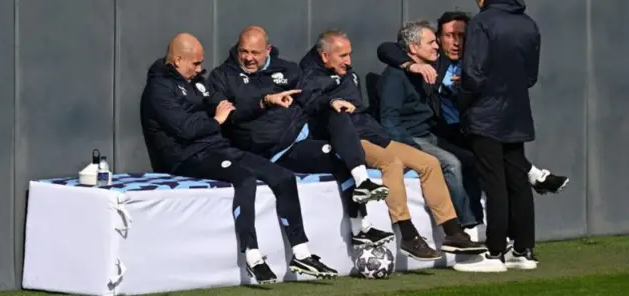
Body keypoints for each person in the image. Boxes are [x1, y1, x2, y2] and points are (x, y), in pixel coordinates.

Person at [140, 33, 337, 284]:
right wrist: (214, 121)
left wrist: (265, 102)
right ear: (179, 60)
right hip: (184, 158)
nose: (201, 69)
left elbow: (229, 111)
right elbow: (185, 129)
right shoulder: (158, 89)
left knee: (283, 177)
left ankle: (301, 253)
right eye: (196, 63)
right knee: (244, 179)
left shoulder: (197, 83)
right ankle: (253, 256)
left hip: (216, 147)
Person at [299, 29, 487, 260]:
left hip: (371, 132)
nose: (349, 62)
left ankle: (453, 233)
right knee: (391, 163)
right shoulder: (307, 77)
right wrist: (331, 101)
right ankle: (408, 235)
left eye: (350, 54)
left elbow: (384, 52)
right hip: (346, 140)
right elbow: (310, 102)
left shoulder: (347, 73)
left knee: (429, 162)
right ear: (325, 56)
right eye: (343, 56)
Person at [207, 26, 394, 249]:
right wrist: (265, 101)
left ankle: (362, 203)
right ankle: (358, 224)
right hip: (272, 151)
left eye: (254, 53)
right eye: (243, 51)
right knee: (334, 154)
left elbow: (309, 99)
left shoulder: (287, 69)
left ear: (267, 50)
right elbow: (230, 117)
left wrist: (329, 102)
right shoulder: (222, 76)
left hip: (300, 134)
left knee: (338, 121)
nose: (248, 58)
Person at [376, 11, 569, 195]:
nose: (456, 42)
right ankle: (534, 175)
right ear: (439, 38)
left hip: (471, 129)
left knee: (495, 145)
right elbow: (386, 48)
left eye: (461, 36)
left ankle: (531, 178)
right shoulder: (432, 60)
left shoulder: (475, 64)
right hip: (440, 130)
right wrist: (412, 65)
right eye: (450, 36)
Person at [453, 0, 542, 272]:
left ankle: (495, 254)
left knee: (495, 184)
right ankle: (524, 251)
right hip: (517, 113)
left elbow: (472, 75)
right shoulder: (528, 24)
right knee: (518, 181)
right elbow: (530, 76)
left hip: (486, 115)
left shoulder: (482, 23)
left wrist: (464, 98)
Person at [376, 21, 483, 235]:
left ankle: (477, 223)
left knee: (470, 160)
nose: (437, 46)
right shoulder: (395, 77)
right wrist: (410, 148)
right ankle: (463, 226)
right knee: (451, 164)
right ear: (414, 48)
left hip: (430, 134)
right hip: (411, 138)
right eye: (431, 42)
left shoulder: (433, 67)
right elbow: (389, 120)